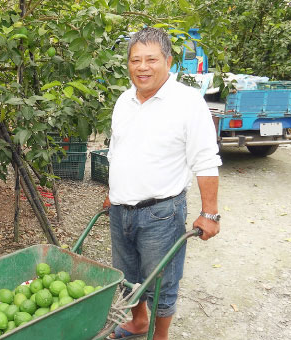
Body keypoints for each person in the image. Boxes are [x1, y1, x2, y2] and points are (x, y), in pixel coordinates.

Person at [103, 27, 222, 340]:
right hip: (120, 209)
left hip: (161, 212)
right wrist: (111, 193)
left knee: (162, 282)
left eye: (151, 59)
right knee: (127, 277)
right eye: (135, 60)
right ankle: (138, 322)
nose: (142, 67)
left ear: (168, 61)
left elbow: (206, 158)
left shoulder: (187, 102)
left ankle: (160, 336)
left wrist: (209, 213)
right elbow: (117, 151)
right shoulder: (123, 101)